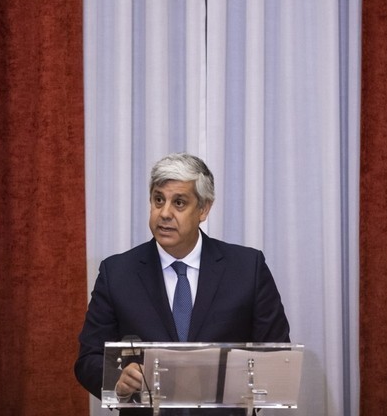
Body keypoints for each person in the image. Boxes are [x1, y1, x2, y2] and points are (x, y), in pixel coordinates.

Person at [74, 153, 291, 414]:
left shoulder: (247, 268)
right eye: (158, 200)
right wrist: (117, 381)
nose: (164, 213)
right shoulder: (117, 273)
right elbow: (89, 359)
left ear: (204, 209)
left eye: (179, 203)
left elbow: (277, 355)